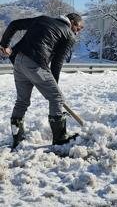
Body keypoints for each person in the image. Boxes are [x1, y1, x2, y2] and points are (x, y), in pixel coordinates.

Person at [0, 13, 84, 149]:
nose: (78, 32)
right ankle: (60, 138)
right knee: (57, 97)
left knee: (22, 101)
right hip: (35, 64)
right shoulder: (69, 35)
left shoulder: (42, 19)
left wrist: (4, 44)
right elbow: (57, 63)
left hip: (19, 62)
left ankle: (18, 138)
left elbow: (14, 24)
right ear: (72, 22)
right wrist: (54, 88)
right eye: (79, 28)